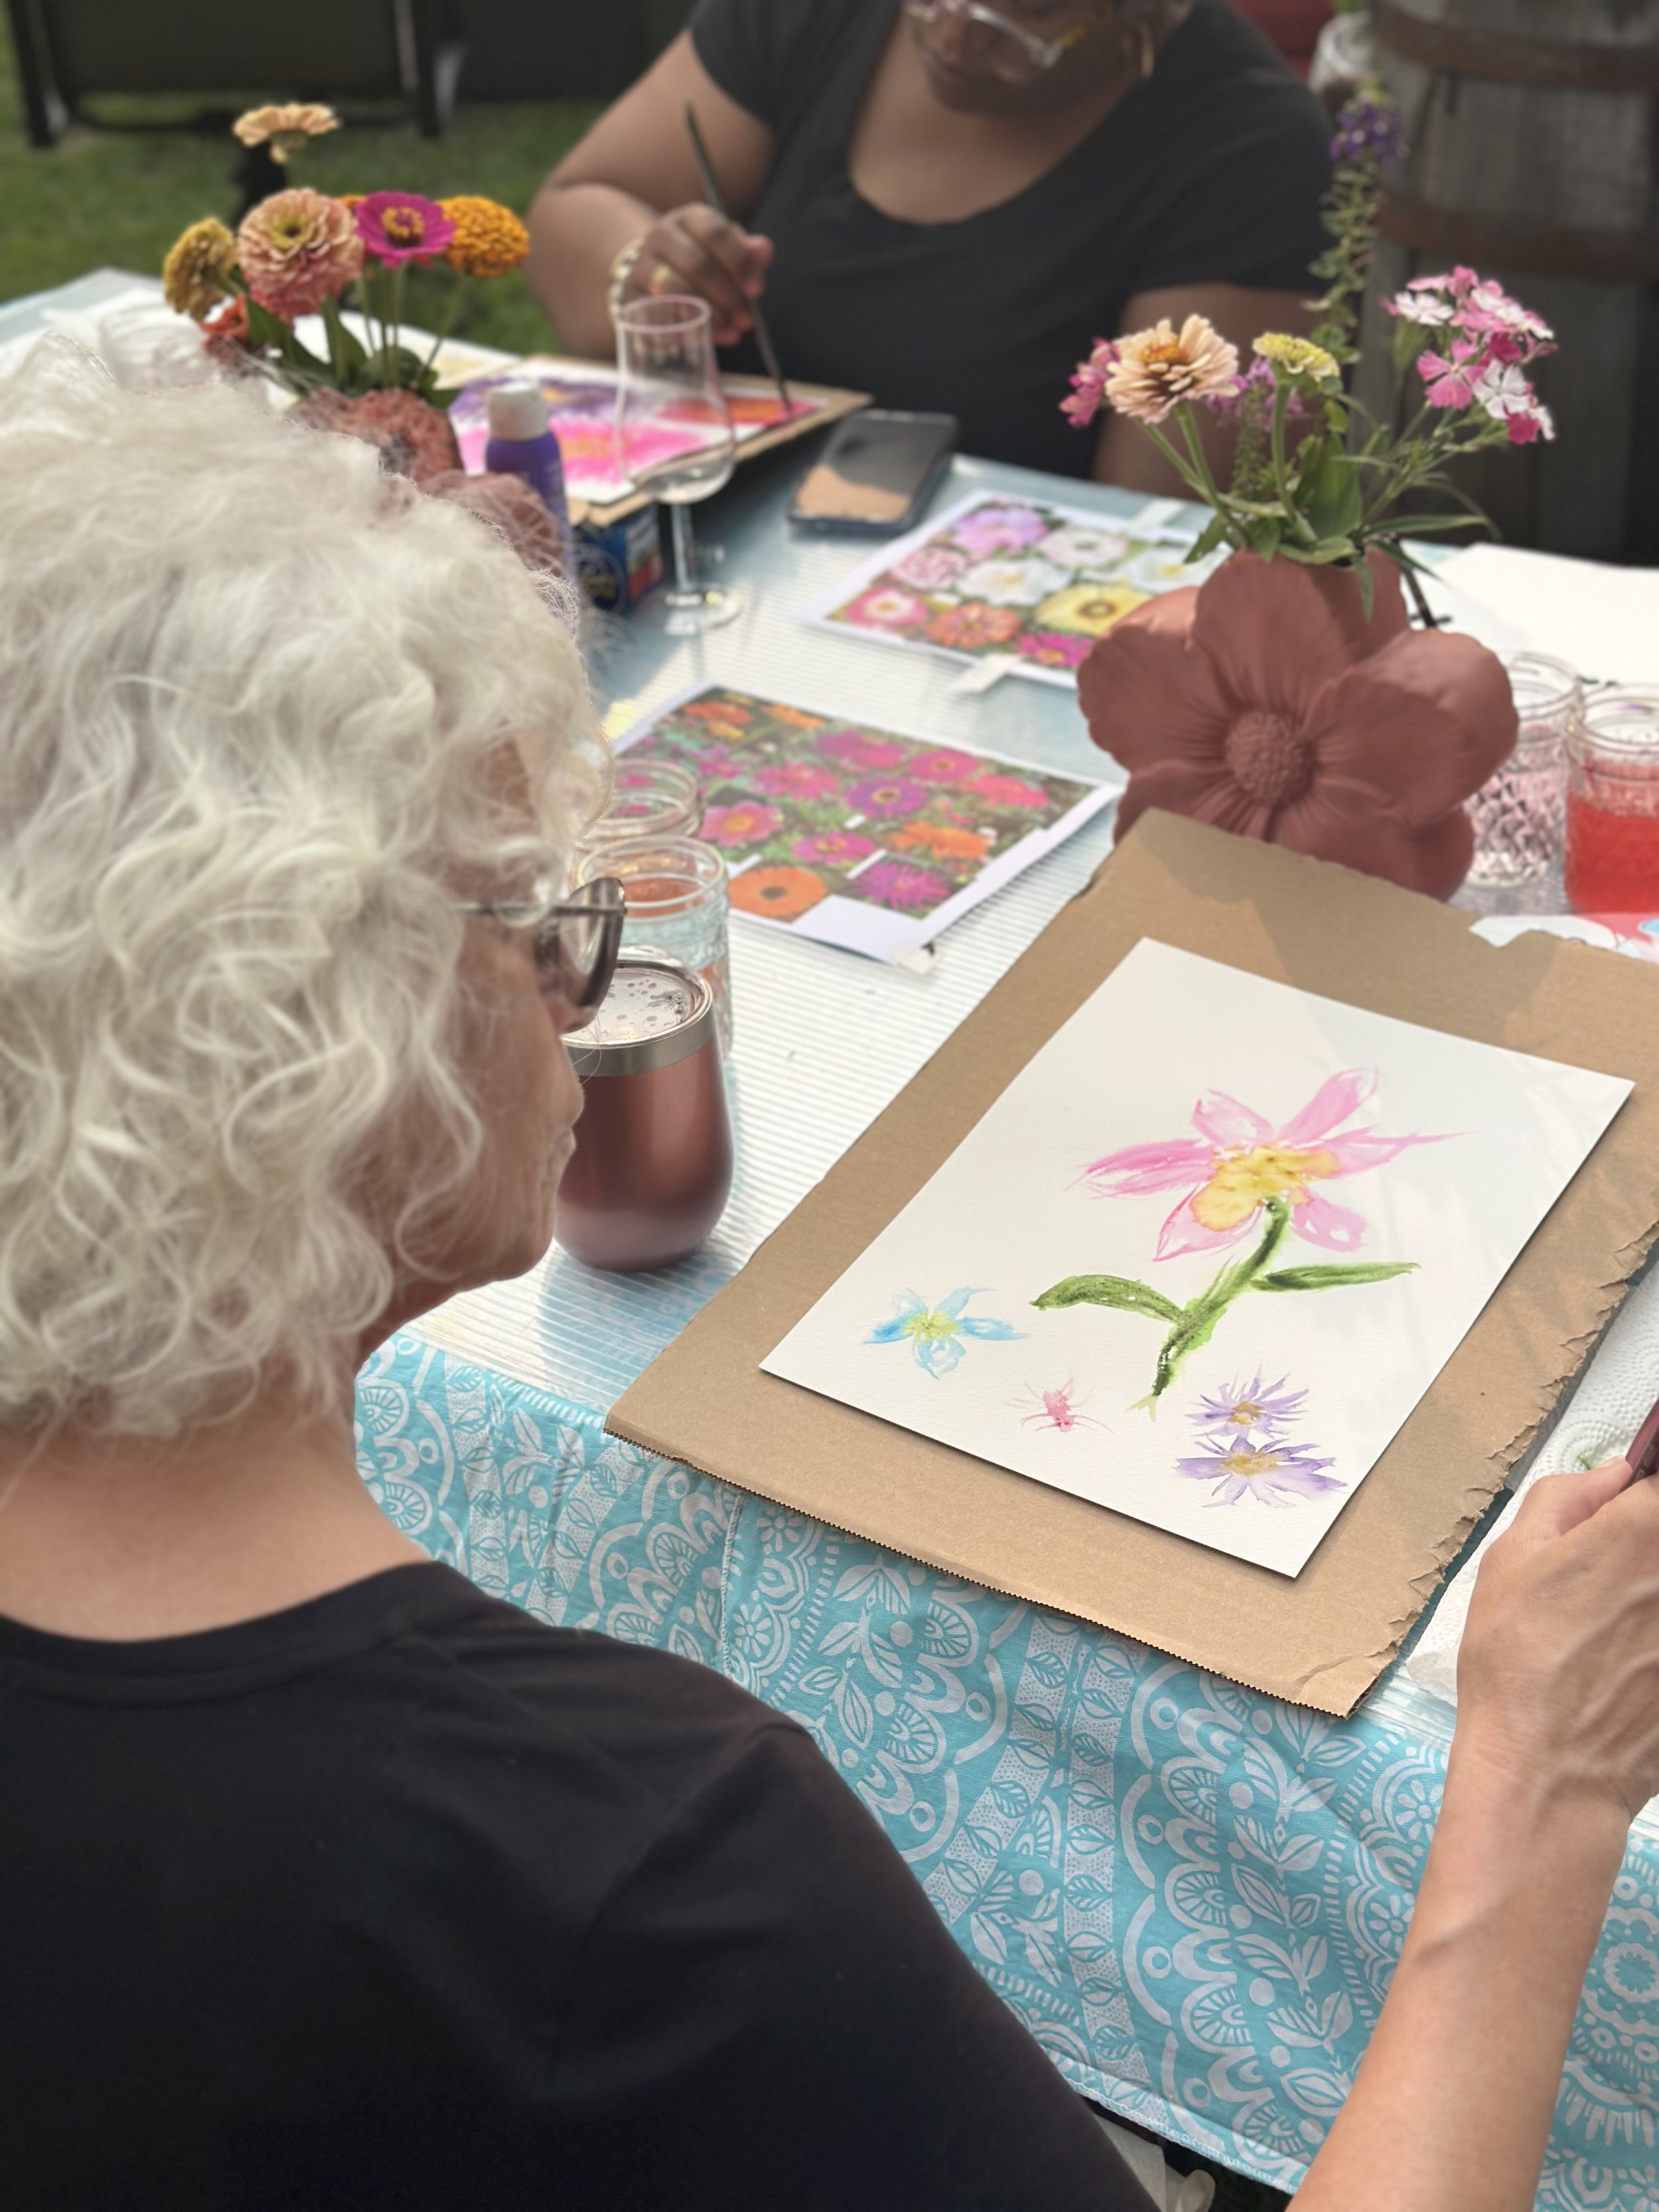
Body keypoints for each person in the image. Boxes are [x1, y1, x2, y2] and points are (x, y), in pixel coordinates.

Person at [3, 354, 1659, 2212]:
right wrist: (1544, 1791)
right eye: (544, 916)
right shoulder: (641, 1857)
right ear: (318, 1038)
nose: (582, 995)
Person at [528, 0, 1333, 490]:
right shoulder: (813, 15)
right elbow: (575, 208)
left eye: (1022, 14)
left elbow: (1152, 538)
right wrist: (644, 270)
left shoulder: (1246, 155)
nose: (950, 35)